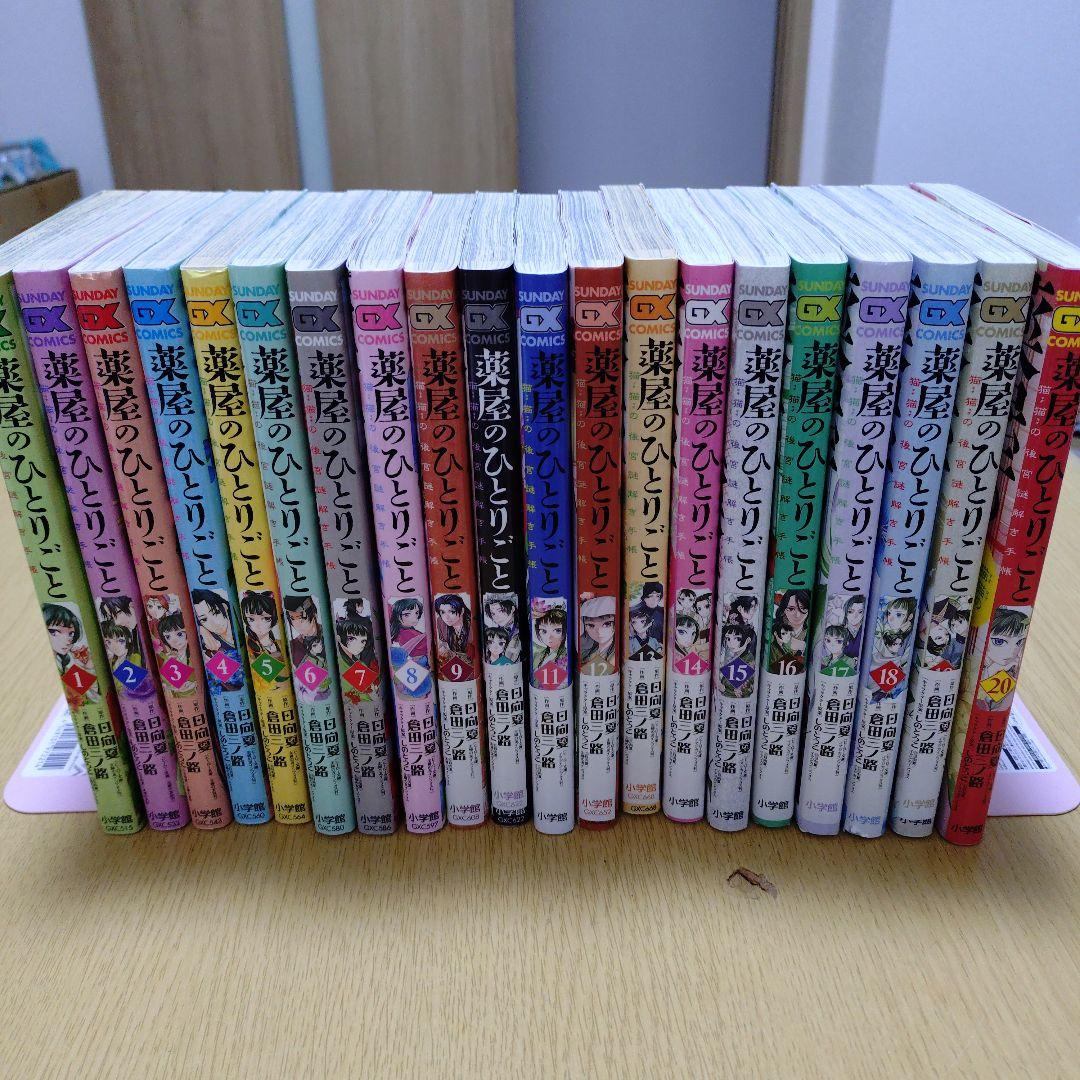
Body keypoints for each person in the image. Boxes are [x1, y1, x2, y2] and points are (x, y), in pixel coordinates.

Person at [191, 589, 244, 693]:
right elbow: (234, 685)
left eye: (215, 612)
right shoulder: (209, 644)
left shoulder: (241, 626)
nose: (214, 622)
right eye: (204, 620)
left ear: (224, 607)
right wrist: (215, 654)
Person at [976, 606, 1029, 711]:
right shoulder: (974, 663)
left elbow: (992, 708)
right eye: (999, 642)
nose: (1012, 652)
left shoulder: (1010, 671)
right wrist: (989, 672)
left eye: (1019, 642)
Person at [43, 604, 98, 704]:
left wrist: (87, 667)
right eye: (54, 632)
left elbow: (94, 698)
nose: (68, 640)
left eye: (71, 633)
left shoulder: (66, 667)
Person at [240, 591, 286, 671]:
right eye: (251, 619)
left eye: (266, 618)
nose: (258, 625)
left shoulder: (279, 642)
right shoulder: (248, 645)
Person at [156, 610, 197, 696]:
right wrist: (172, 687)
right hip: (179, 699)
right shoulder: (170, 658)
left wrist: (194, 684)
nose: (174, 640)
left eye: (179, 634)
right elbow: (164, 684)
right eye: (168, 637)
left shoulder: (195, 655)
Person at [579, 595, 617, 677]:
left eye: (607, 624)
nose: (599, 631)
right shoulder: (589, 651)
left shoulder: (614, 656)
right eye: (591, 625)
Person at [715, 623, 757, 696]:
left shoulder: (748, 660)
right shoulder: (733, 656)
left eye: (737, 639)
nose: (731, 643)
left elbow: (742, 691)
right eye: (728, 639)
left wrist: (723, 688)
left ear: (747, 640)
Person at [532, 603, 569, 685]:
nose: (549, 637)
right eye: (543, 631)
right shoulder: (538, 654)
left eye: (557, 630)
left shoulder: (566, 656)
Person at [483, 595, 521, 663]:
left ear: (512, 609)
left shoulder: (520, 628)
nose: (497, 617)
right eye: (493, 613)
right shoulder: (491, 631)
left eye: (500, 611)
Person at [842, 596, 865, 660]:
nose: (855, 616)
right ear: (846, 612)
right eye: (850, 611)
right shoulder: (839, 630)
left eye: (860, 612)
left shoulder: (867, 631)